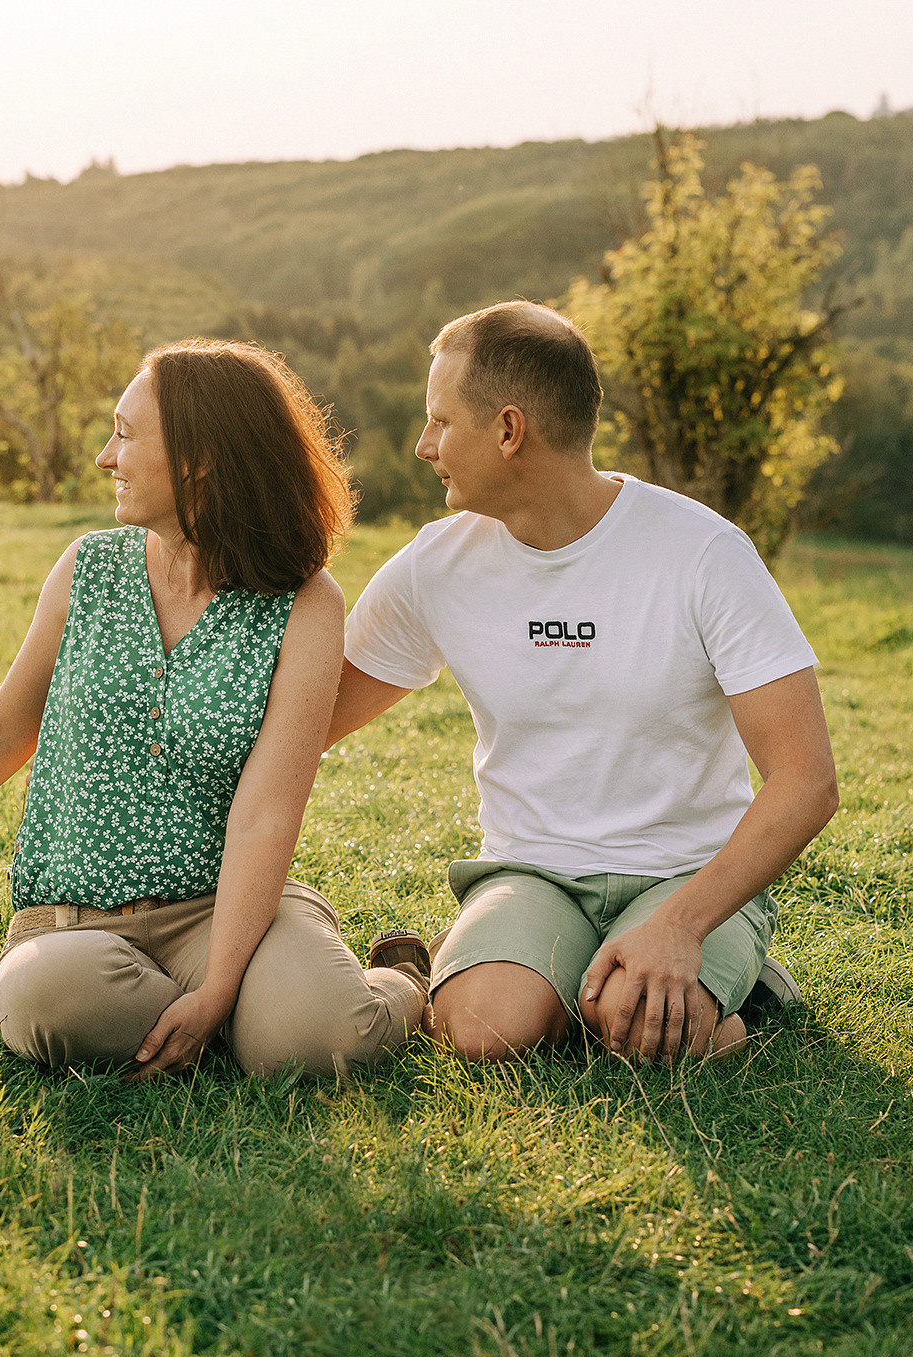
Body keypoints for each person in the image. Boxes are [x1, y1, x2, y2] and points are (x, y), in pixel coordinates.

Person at [0, 339, 428, 1078]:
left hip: (223, 912)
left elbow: (268, 810)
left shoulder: (305, 603)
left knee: (320, 1042)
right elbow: (4, 728)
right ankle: (236, 1016)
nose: (105, 458)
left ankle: (394, 984)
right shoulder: (89, 570)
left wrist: (217, 983)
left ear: (201, 458)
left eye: (126, 434)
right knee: (48, 1001)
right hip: (76, 929)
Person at [330, 301, 839, 1063]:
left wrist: (680, 926)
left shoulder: (704, 553)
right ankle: (518, 970)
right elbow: (311, 719)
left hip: (687, 873)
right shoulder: (435, 566)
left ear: (509, 431)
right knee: (484, 1032)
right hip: (533, 872)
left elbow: (806, 783)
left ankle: (741, 987)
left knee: (644, 1031)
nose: (422, 444)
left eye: (440, 421)